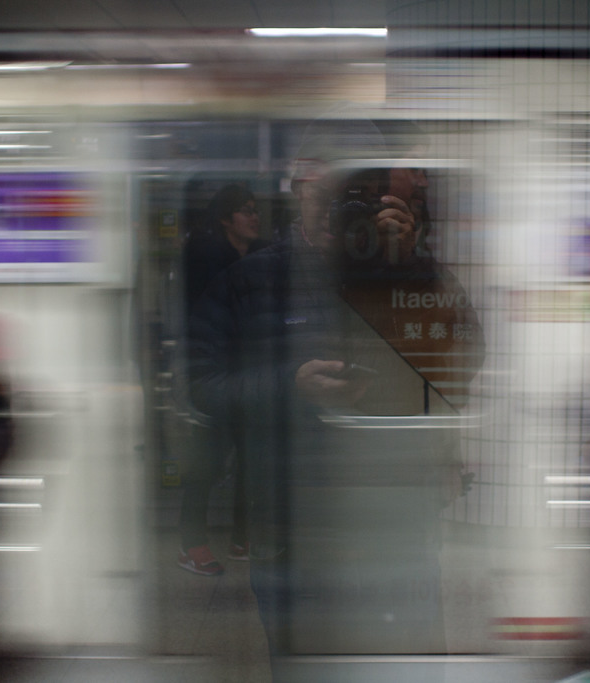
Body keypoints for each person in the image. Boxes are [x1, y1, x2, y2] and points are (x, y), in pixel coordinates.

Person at [186, 117, 483, 677]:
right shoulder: (250, 280)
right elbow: (199, 386)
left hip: (395, 520)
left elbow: (467, 360)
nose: (338, 211)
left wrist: (412, 268)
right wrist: (287, 385)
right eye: (327, 194)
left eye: (359, 195)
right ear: (298, 187)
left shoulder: (408, 268)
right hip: (289, 524)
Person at [176, 184, 270, 575]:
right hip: (215, 375)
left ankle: (241, 537)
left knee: (253, 459)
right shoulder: (204, 259)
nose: (254, 217)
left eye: (255, 210)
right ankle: (191, 543)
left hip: (252, 371)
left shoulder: (264, 256)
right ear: (225, 218)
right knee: (208, 464)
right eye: (245, 210)